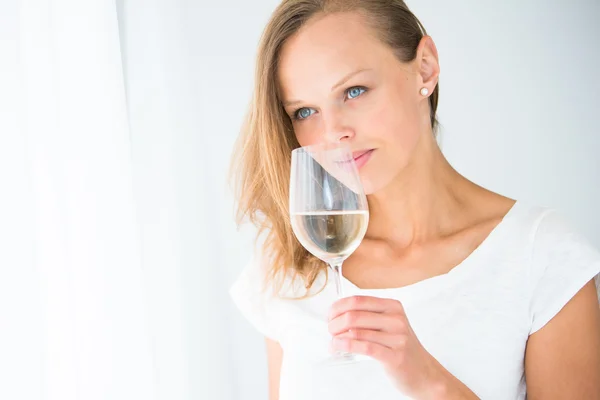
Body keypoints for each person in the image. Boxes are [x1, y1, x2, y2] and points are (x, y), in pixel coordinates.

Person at [228, 1, 600, 399]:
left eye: (354, 91)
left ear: (425, 68)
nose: (334, 132)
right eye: (304, 111)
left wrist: (428, 381)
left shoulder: (541, 256)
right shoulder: (290, 263)